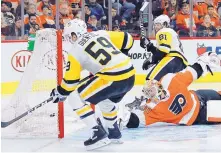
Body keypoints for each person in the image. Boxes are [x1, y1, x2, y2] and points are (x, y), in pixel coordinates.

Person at [50, 19, 135, 150]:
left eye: (69, 36)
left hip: (111, 77)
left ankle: (97, 132)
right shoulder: (100, 33)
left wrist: (60, 92)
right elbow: (128, 39)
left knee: (74, 95)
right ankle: (113, 133)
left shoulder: (75, 50)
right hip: (130, 74)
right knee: (105, 100)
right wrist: (120, 58)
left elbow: (70, 82)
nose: (69, 40)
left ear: (74, 34)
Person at [120, 52, 221, 128]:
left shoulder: (151, 109)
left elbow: (134, 121)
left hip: (199, 97)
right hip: (199, 114)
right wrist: (205, 59)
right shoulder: (169, 82)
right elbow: (195, 70)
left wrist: (122, 116)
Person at [140, 14, 188, 82]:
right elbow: (160, 53)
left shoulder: (164, 31)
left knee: (151, 81)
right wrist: (149, 46)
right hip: (180, 63)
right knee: (166, 86)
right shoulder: (170, 32)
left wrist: (151, 60)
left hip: (172, 60)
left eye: (158, 24)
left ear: (165, 24)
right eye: (155, 25)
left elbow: (163, 52)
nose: (156, 27)